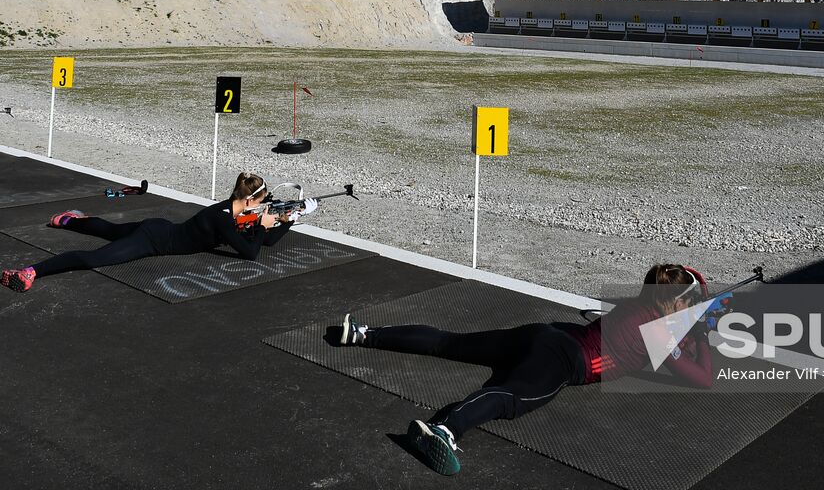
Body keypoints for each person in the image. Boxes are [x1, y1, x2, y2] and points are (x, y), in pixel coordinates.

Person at [328, 263, 717, 476]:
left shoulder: (637, 306)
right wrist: (703, 336)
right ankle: (446, 429)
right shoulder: (662, 333)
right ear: (677, 304)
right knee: (509, 397)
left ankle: (363, 333)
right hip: (565, 361)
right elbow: (703, 378)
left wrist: (690, 325)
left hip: (545, 334)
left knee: (452, 342)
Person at [1, 172, 312, 292]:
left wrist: (290, 220)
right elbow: (252, 251)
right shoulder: (223, 219)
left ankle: (68, 220)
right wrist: (262, 226)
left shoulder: (235, 212)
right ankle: (30, 271)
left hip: (159, 229)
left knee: (110, 229)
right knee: (96, 258)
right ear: (248, 200)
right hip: (153, 241)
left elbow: (267, 239)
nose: (261, 207)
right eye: (260, 202)